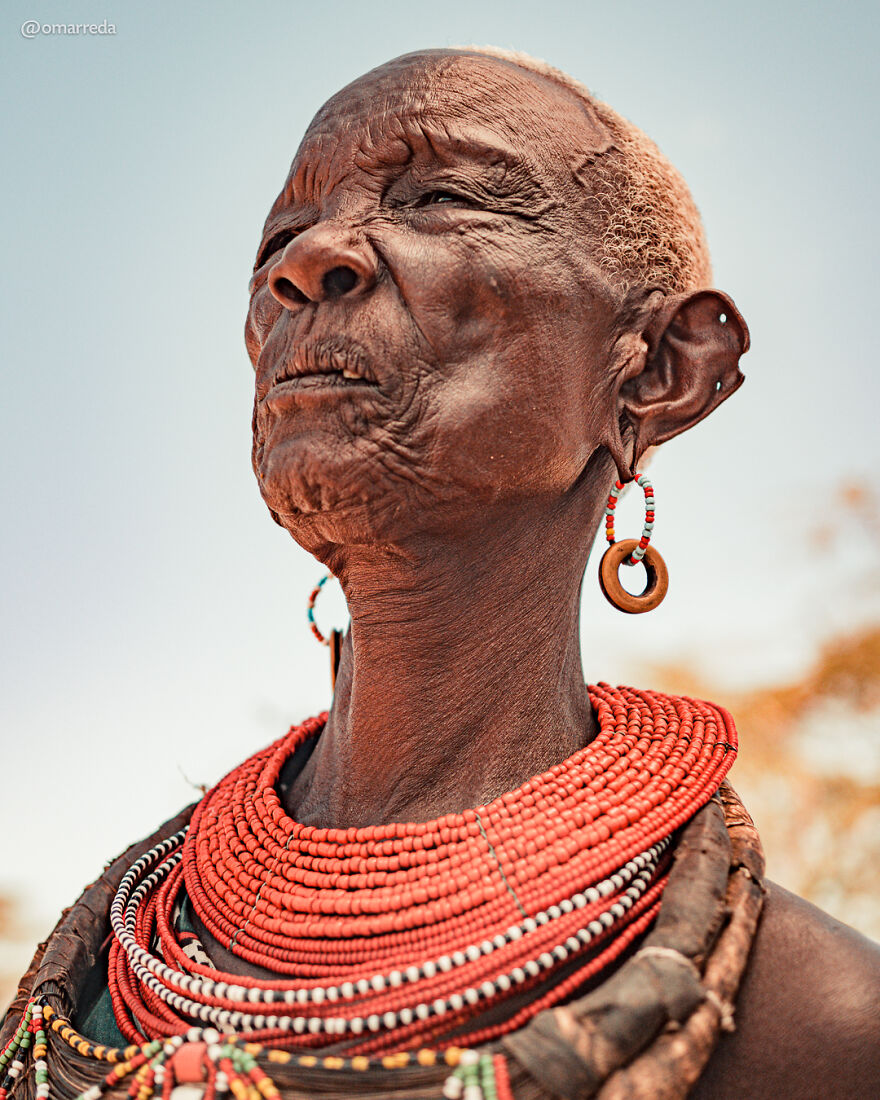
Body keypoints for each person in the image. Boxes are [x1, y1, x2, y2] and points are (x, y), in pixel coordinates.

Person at [3, 47, 879, 1100]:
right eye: (280, 237)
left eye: (442, 198)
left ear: (657, 371)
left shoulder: (816, 1029)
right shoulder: (117, 949)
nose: (309, 258)